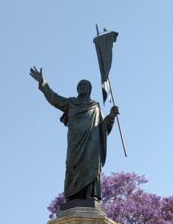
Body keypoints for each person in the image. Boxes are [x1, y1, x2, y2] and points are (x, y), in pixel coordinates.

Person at [29, 67, 119, 202]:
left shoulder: (95, 107)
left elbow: (103, 128)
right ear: (77, 89)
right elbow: (54, 98)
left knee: (91, 167)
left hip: (92, 144)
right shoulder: (70, 103)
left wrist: (111, 116)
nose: (82, 86)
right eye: (80, 85)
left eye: (85, 84)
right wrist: (43, 82)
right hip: (75, 143)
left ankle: (90, 195)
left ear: (90, 89)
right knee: (72, 166)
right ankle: (72, 197)